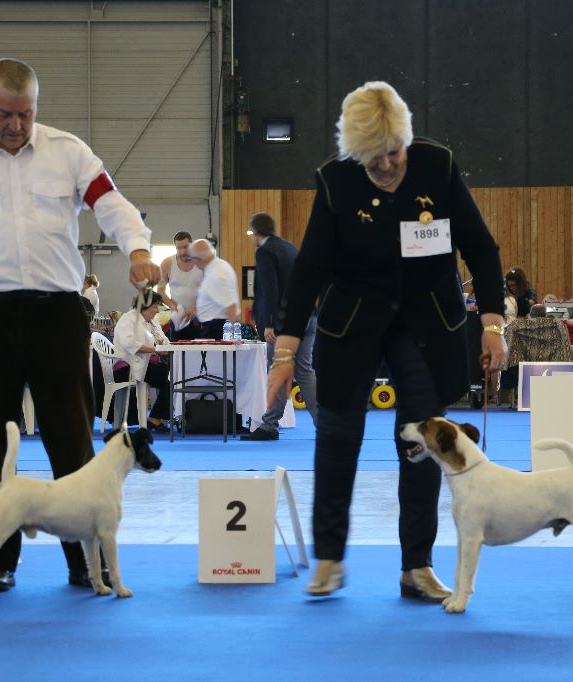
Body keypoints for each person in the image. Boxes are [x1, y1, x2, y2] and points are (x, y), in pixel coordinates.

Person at [0, 57, 160, 595]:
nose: (17, 126)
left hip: (57, 314)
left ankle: (84, 562)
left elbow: (110, 204)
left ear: (35, 107)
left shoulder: (68, 152)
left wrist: (137, 248)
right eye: (5, 114)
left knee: (72, 440)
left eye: (25, 114)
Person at [267, 81, 507, 600]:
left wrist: (492, 324)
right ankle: (329, 560)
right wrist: (285, 354)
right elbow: (309, 271)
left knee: (422, 444)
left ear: (406, 138)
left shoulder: (437, 166)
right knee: (336, 437)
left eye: (393, 153)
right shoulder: (334, 181)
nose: (386, 166)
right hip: (352, 325)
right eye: (372, 159)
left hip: (424, 324)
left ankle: (416, 567)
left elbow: (482, 250)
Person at [241, 212, 317, 441]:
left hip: (284, 324)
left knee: (278, 370)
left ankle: (269, 425)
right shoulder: (289, 247)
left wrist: (270, 323)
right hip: (308, 316)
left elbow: (269, 289)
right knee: (304, 371)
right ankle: (324, 424)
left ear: (255, 231)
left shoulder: (265, 252)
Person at [112, 290, 172, 431]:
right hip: (126, 368)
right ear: (144, 306)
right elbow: (129, 344)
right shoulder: (128, 319)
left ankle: (156, 417)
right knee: (172, 376)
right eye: (155, 307)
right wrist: (155, 349)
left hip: (146, 366)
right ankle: (156, 417)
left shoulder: (153, 322)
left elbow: (166, 341)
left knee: (175, 375)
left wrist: (164, 348)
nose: (157, 311)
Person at [188, 238, 240, 339]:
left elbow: (231, 306)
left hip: (216, 329)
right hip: (214, 326)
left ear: (198, 259)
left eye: (193, 259)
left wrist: (233, 337)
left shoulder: (216, 274)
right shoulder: (218, 267)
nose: (193, 263)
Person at [158, 231, 204, 340]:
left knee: (200, 355)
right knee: (178, 354)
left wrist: (197, 306)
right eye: (179, 248)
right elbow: (160, 291)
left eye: (186, 247)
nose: (182, 251)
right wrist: (172, 306)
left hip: (200, 318)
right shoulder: (167, 263)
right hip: (179, 319)